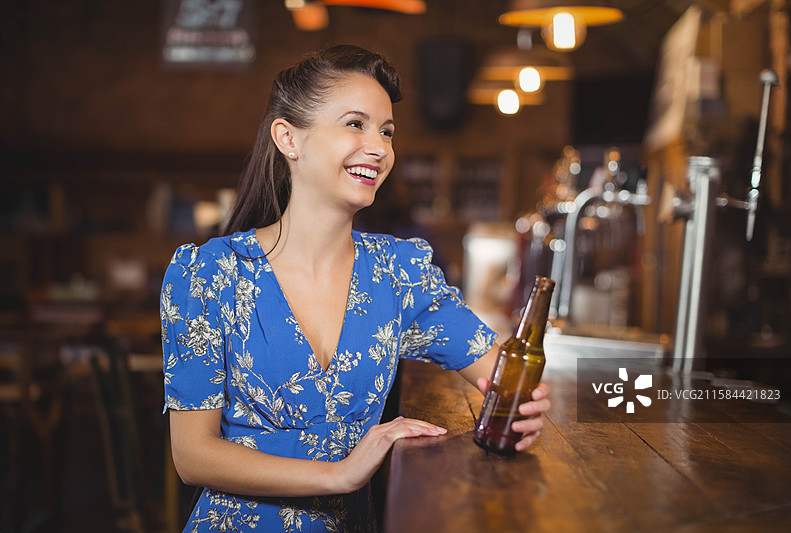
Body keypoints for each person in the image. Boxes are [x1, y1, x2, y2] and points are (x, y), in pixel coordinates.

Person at [160, 44, 551, 533]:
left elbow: (503, 373)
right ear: (288, 138)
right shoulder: (208, 275)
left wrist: (519, 411)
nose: (380, 147)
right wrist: (340, 474)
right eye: (355, 124)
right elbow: (193, 456)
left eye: (387, 132)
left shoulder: (400, 274)